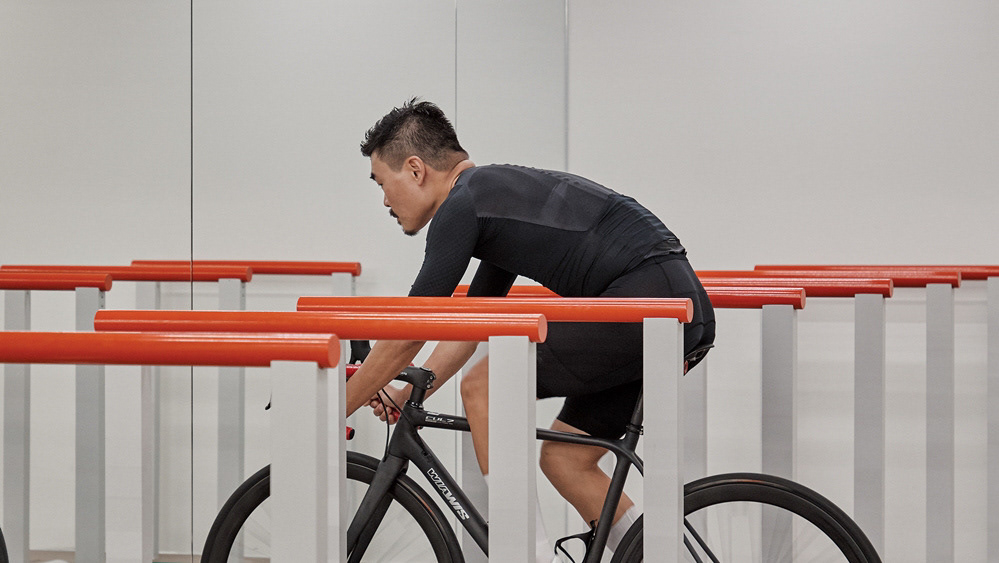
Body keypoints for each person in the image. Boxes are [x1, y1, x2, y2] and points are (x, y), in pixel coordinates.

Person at [345, 98, 715, 562]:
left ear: (416, 169)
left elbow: (409, 330)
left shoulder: (464, 205)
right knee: (566, 460)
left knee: (484, 388)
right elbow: (471, 324)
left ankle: (525, 555)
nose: (385, 201)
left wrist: (338, 408)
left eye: (382, 183)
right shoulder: (491, 199)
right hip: (676, 302)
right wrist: (409, 392)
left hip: (649, 299)